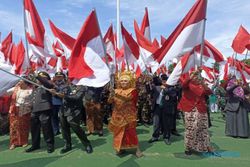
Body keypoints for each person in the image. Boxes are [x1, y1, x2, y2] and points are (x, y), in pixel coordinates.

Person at [178, 70, 215, 156]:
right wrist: (191, 76)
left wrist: (203, 83)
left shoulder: (201, 85)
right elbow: (184, 84)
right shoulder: (188, 85)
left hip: (201, 109)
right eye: (195, 77)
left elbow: (209, 92)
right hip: (190, 109)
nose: (197, 78)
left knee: (203, 128)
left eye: (198, 77)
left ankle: (205, 146)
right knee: (192, 128)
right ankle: (188, 147)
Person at [51, 83, 93, 154]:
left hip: (74, 111)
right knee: (64, 128)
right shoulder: (66, 86)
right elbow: (60, 96)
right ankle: (67, 145)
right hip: (63, 110)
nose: (70, 79)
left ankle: (87, 144)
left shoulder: (81, 87)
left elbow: (77, 97)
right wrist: (55, 94)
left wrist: (64, 96)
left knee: (76, 127)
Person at [108, 71, 143, 158]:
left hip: (129, 115)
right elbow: (109, 102)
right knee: (118, 133)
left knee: (131, 132)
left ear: (130, 81)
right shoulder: (115, 90)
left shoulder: (133, 90)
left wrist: (115, 94)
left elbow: (127, 98)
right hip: (118, 116)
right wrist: (111, 95)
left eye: (125, 81)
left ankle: (137, 149)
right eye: (122, 81)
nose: (123, 82)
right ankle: (121, 148)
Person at [26, 71, 55, 153]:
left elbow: (48, 84)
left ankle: (50, 145)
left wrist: (37, 75)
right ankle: (35, 145)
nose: (39, 79)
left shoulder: (47, 85)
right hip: (35, 110)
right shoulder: (36, 87)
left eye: (43, 77)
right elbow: (33, 98)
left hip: (44, 109)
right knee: (34, 129)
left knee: (46, 128)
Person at [8, 77, 33, 150]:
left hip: (24, 110)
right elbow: (6, 93)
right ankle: (14, 143)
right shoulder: (15, 89)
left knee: (24, 126)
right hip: (14, 110)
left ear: (25, 82)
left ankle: (24, 141)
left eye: (21, 81)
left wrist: (27, 106)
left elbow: (32, 101)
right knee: (13, 126)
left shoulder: (30, 90)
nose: (19, 82)